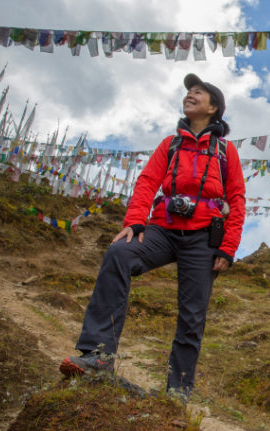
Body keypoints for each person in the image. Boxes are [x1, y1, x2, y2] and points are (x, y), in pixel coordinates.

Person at [60, 74, 246, 400]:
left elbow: (237, 199)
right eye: (188, 92)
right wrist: (135, 222)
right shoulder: (169, 144)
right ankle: (98, 356)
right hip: (162, 229)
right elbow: (147, 182)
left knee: (192, 315)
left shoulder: (226, 151)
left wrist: (228, 247)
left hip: (205, 238)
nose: (190, 95)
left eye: (198, 93)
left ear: (213, 106)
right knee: (119, 253)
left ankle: (178, 394)